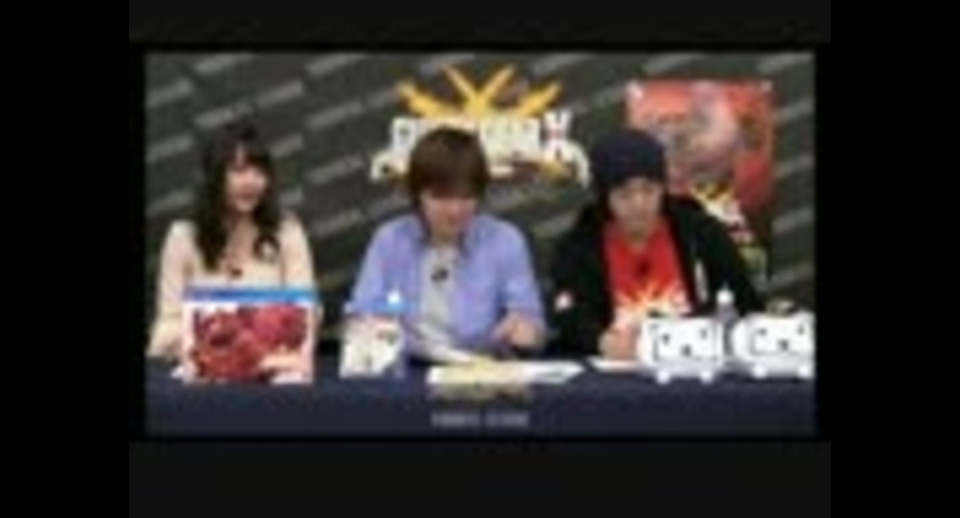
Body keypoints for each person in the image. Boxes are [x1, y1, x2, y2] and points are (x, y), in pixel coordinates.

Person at [549, 128, 763, 359]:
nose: (639, 203)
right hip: (618, 371)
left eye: (648, 190)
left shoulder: (700, 233)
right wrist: (602, 342)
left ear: (663, 188)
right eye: (624, 193)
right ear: (604, 197)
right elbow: (569, 316)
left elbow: (746, 304)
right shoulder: (580, 246)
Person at [348, 127, 545, 364]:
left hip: (480, 370)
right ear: (417, 194)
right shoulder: (389, 240)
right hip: (405, 368)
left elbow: (532, 325)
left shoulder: (505, 241)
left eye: (466, 197)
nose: (454, 210)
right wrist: (372, 327)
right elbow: (362, 315)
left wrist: (526, 331)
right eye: (441, 197)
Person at [146, 121, 317, 363]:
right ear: (214, 177)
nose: (251, 182)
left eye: (259, 172)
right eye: (238, 170)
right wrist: (216, 345)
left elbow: (306, 318)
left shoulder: (288, 234)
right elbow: (165, 331)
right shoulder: (182, 238)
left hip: (269, 372)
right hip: (202, 373)